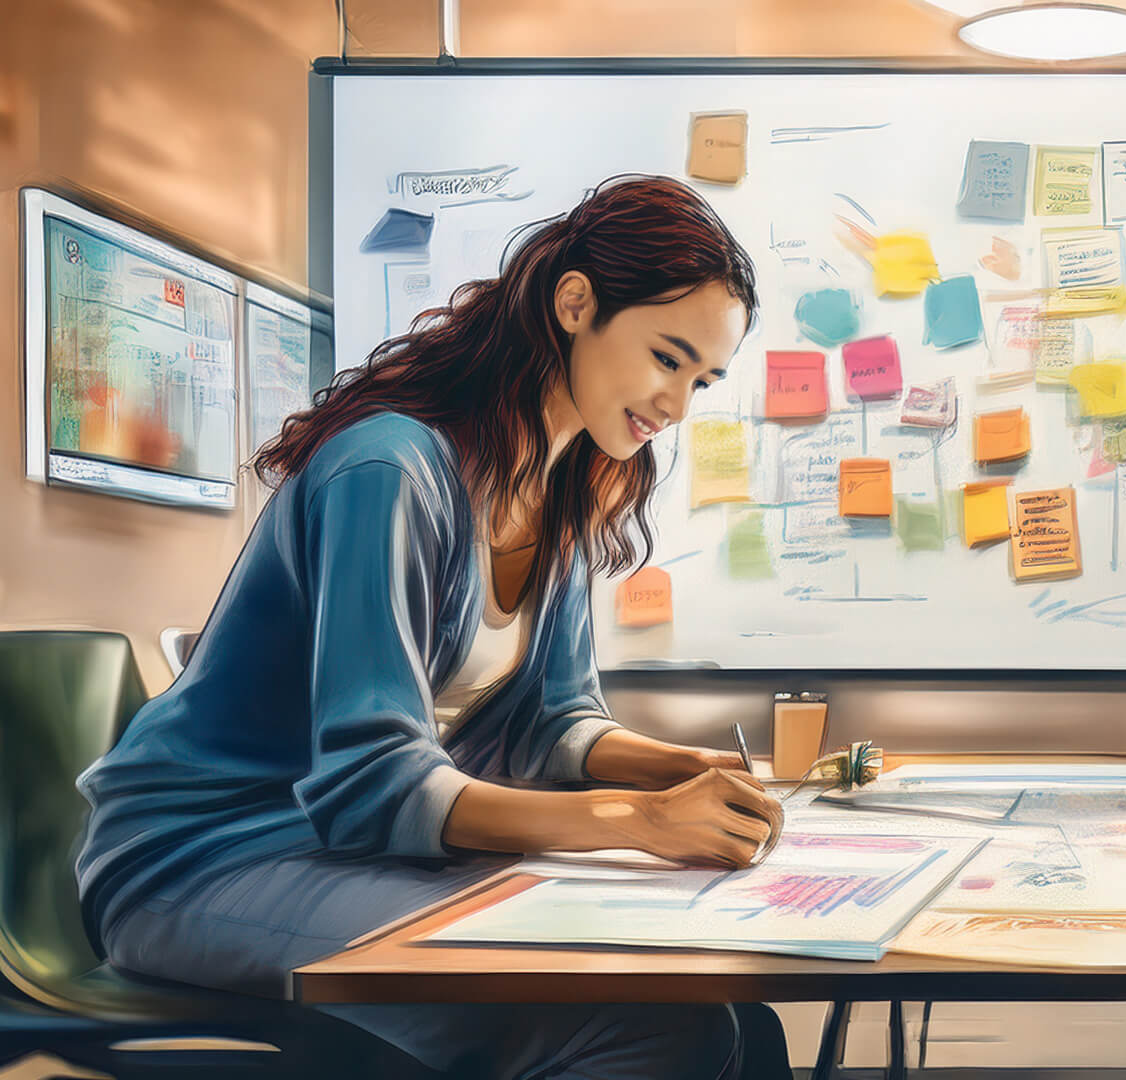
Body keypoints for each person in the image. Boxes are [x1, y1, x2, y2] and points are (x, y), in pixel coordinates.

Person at [76, 175, 792, 1080]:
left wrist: (692, 771)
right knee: (658, 1026)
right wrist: (640, 820)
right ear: (576, 303)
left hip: (340, 855)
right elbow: (372, 783)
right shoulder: (387, 470)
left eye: (703, 379)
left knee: (736, 1020)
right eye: (667, 357)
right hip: (204, 864)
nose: (678, 406)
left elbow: (549, 722)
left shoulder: (562, 487)